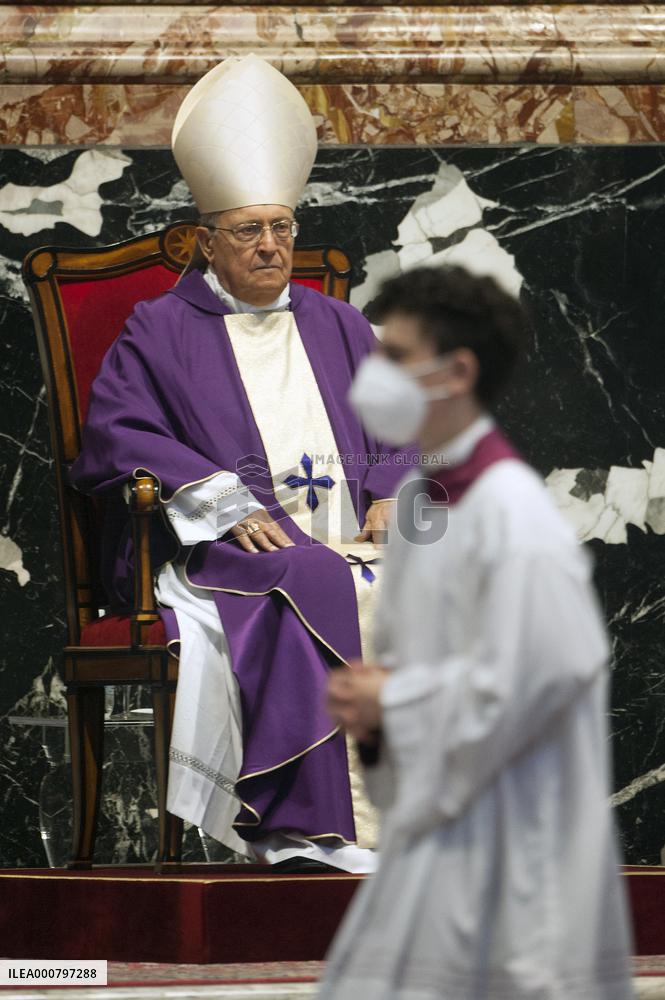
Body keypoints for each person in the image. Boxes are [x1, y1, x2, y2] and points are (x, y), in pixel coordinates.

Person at [70, 54, 412, 873]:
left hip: (343, 534)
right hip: (219, 545)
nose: (269, 248)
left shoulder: (336, 323)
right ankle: (303, 825)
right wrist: (223, 499)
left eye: (281, 228)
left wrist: (392, 492)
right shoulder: (160, 328)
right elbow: (117, 434)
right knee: (312, 576)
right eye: (248, 231)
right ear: (207, 241)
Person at [320, 265, 635, 998]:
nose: (372, 377)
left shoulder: (513, 517)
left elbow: (545, 680)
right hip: (437, 828)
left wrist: (391, 703)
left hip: (514, 847)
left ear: (456, 371)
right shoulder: (419, 496)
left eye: (393, 358)